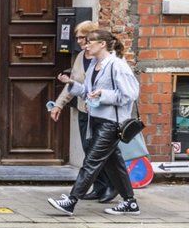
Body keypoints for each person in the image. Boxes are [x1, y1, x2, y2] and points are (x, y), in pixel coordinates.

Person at [47, 28, 141, 216]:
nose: (86, 45)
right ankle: (130, 202)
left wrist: (103, 94)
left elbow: (130, 94)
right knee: (114, 164)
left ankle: (71, 201)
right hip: (96, 119)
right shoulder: (93, 65)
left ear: (102, 44)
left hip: (111, 122)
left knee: (91, 161)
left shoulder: (117, 65)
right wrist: (72, 84)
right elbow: (87, 92)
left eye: (90, 41)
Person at [48, 20, 112, 202]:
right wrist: (58, 105)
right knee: (88, 149)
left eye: (82, 37)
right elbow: (73, 84)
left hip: (103, 113)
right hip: (85, 111)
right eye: (77, 38)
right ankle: (100, 187)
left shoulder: (108, 60)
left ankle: (112, 186)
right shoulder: (80, 57)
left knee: (102, 152)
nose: (79, 41)